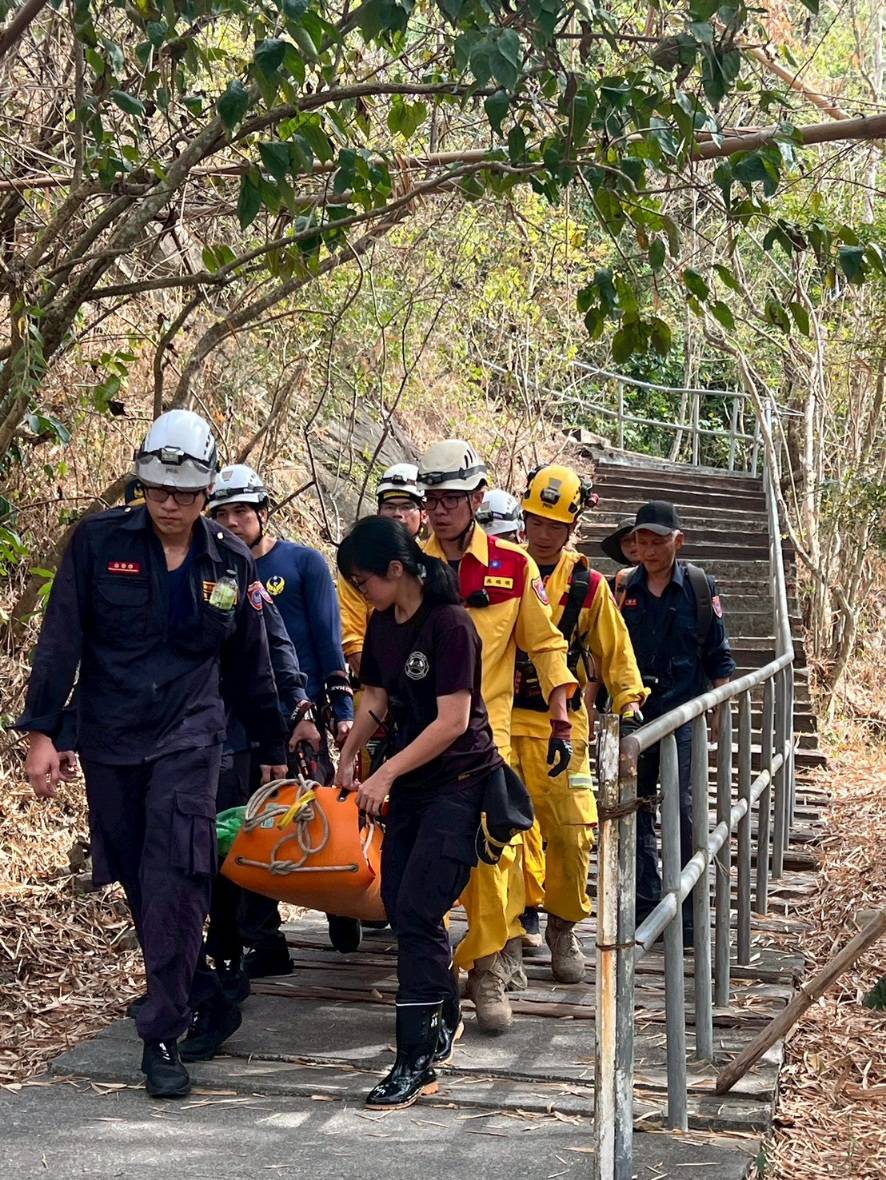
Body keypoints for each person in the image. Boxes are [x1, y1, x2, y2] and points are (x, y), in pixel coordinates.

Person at [17, 410, 288, 1099]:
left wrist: (274, 745)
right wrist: (42, 732)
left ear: (206, 492)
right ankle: (205, 989)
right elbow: (61, 640)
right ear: (142, 483)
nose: (169, 503)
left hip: (191, 737)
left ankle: (161, 1033)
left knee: (176, 872)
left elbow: (250, 663)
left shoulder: (229, 558)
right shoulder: (96, 542)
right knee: (139, 874)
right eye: (157, 488)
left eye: (185, 492)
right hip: (110, 736)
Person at [335, 516, 505, 1108]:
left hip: (459, 782)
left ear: (398, 570)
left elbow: (453, 721)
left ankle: (416, 1057)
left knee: (417, 907)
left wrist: (385, 771)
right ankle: (443, 1007)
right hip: (410, 784)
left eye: (365, 581)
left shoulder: (451, 625)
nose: (363, 594)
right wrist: (351, 755)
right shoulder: (383, 625)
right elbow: (377, 699)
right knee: (402, 902)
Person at [418, 439, 577, 1034]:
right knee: (424, 868)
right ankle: (432, 979)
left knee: (492, 864)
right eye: (433, 499)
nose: (441, 510)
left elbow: (545, 643)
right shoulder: (415, 565)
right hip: (426, 740)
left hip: (490, 744)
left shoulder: (515, 568)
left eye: (453, 499)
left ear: (477, 498)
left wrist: (561, 712)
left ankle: (487, 970)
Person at [207, 463, 357, 965]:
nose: (232, 522)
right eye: (222, 513)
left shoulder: (302, 564)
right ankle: (263, 937)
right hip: (242, 722)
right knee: (252, 827)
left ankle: (339, 901)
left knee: (316, 815)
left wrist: (338, 709)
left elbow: (325, 638)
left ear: (263, 512)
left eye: (242, 511)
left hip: (301, 715)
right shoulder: (215, 573)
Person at [514, 465, 647, 979]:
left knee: (573, 833)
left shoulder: (588, 586)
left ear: (571, 529)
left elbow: (615, 649)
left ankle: (563, 926)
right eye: (535, 522)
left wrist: (630, 699)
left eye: (554, 526)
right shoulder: (501, 569)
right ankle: (505, 935)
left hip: (563, 726)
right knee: (500, 833)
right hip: (502, 718)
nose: (543, 535)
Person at [618, 500, 735, 936]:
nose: (648, 551)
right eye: (641, 542)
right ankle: (647, 902)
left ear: (677, 542)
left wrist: (719, 711)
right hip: (636, 715)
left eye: (657, 542)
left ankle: (686, 909)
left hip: (684, 714)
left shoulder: (701, 588)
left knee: (684, 808)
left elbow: (719, 656)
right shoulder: (624, 589)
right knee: (637, 806)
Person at [338, 463, 426, 679]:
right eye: (389, 506)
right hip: (377, 682)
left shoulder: (435, 560)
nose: (397, 514)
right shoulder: (358, 565)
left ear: (424, 514)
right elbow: (353, 638)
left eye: (407, 506)